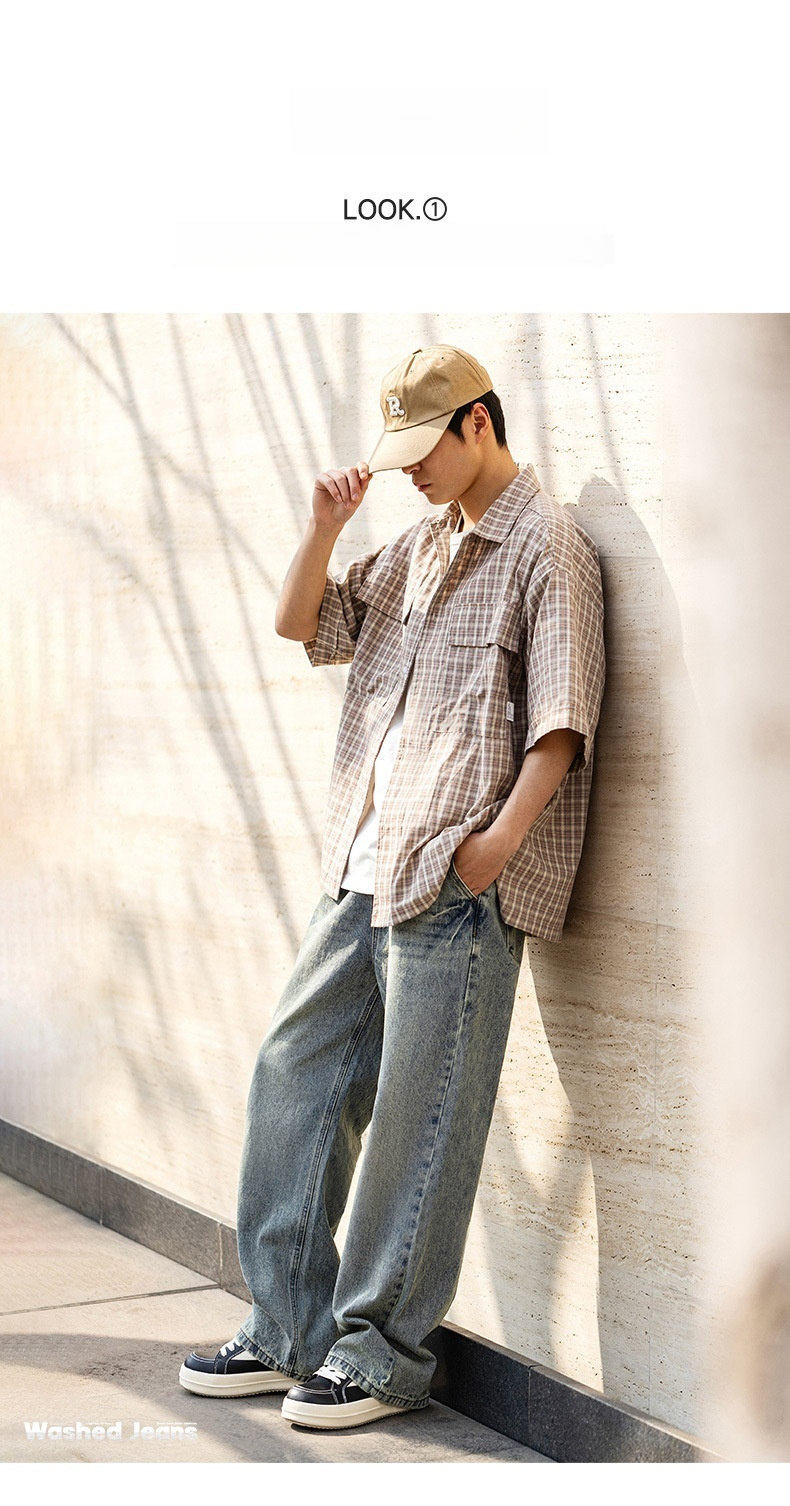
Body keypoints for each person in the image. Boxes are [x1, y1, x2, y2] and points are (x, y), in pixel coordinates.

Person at [179, 344, 606, 1430]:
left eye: (424, 448)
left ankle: (381, 1355)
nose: (409, 469)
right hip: (361, 872)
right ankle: (287, 1328)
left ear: (479, 424)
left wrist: (491, 851)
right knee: (294, 1075)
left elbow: (562, 722)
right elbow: (303, 623)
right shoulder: (418, 546)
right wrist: (323, 526)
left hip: (456, 883)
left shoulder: (547, 548)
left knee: (422, 1122)